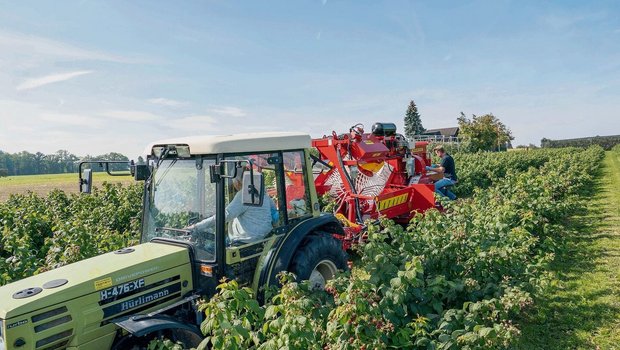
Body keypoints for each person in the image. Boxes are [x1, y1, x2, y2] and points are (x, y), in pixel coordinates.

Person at [188, 168, 277, 243]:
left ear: (237, 182)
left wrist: (197, 226)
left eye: (233, 182)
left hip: (245, 241)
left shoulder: (243, 195)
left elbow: (226, 215)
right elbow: (273, 211)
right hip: (263, 238)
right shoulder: (262, 194)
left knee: (208, 248)